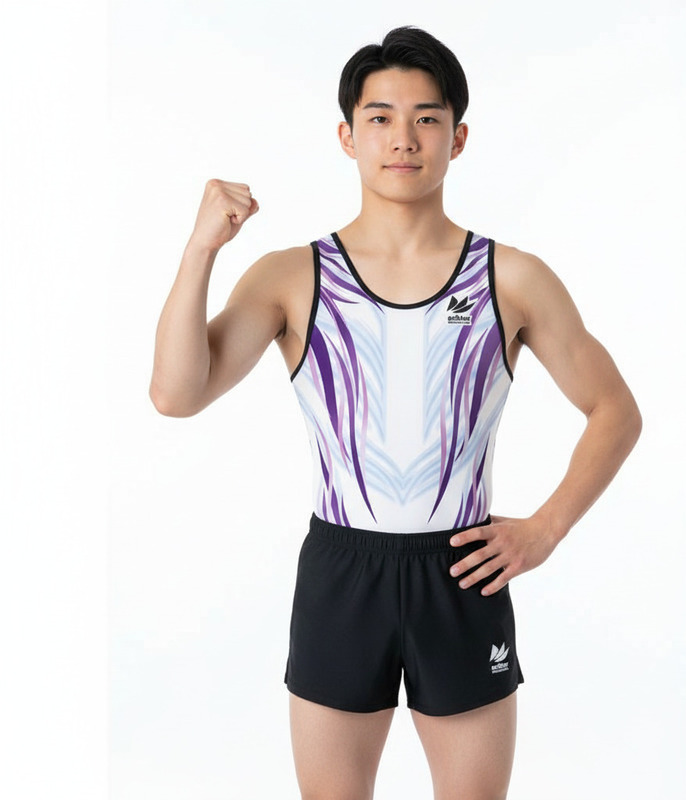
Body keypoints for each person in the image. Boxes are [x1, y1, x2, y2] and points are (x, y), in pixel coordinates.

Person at [149, 25, 642, 800]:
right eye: (380, 117)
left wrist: (546, 528)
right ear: (348, 136)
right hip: (343, 573)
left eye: (426, 118)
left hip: (462, 570)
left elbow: (615, 409)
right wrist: (200, 250)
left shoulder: (510, 277)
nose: (403, 138)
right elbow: (177, 394)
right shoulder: (293, 277)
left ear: (458, 137)